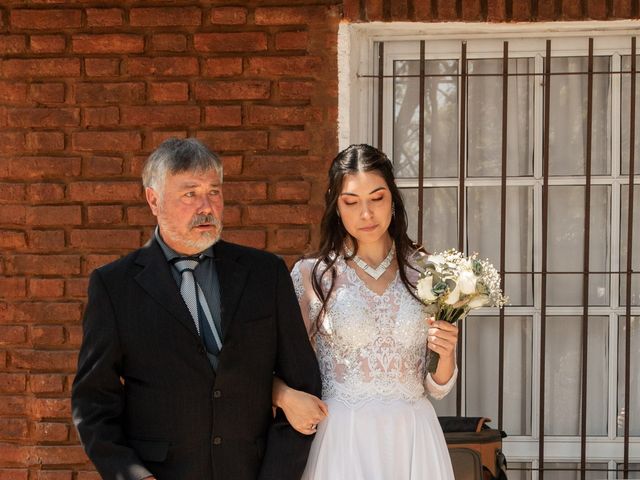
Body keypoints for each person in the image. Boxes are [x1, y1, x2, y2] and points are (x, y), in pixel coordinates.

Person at [71, 138, 321, 480]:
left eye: (214, 192)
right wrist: (132, 475)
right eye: (190, 193)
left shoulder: (265, 273)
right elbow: (93, 403)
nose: (207, 206)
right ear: (153, 199)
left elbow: (303, 384)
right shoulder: (114, 287)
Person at [273, 144, 458, 479]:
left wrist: (447, 354)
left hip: (413, 436)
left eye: (377, 198)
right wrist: (284, 397)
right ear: (335, 205)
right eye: (351, 201)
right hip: (343, 438)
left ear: (393, 199)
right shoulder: (310, 274)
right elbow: (273, 365)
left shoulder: (429, 272)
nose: (367, 214)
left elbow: (438, 386)